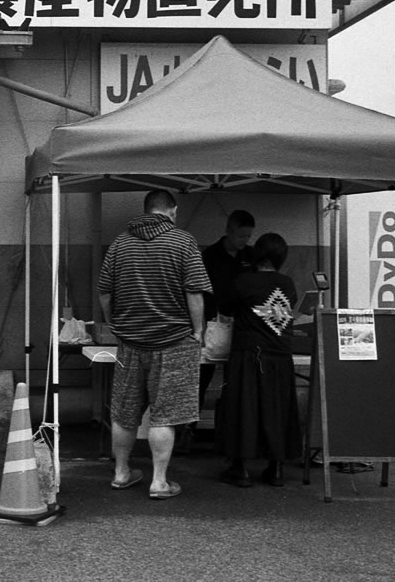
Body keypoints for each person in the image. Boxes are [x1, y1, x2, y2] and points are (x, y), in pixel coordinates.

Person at [98, 189, 211, 500]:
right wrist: (198, 331)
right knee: (166, 414)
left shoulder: (120, 243)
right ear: (172, 211)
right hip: (174, 342)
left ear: (146, 210)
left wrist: (114, 324)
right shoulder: (183, 241)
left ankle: (122, 473)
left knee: (124, 411)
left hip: (130, 341)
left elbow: (105, 291)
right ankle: (158, 481)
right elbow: (194, 291)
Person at [217, 232, 302, 488]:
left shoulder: (244, 281)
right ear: (281, 257)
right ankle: (276, 468)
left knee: (244, 409)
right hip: (280, 355)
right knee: (277, 409)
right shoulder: (287, 284)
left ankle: (240, 468)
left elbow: (226, 309)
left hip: (248, 354)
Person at [199, 210, 256, 404]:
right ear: (228, 230)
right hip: (213, 322)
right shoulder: (210, 256)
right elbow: (200, 293)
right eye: (241, 235)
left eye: (248, 236)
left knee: (235, 380)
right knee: (203, 376)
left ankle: (230, 425)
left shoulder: (251, 255)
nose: (244, 240)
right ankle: (190, 428)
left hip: (242, 324)